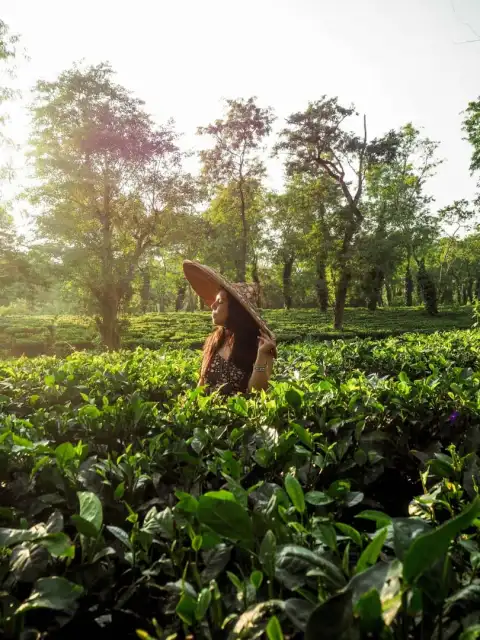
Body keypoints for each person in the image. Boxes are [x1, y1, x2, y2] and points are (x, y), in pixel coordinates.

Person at [182, 260, 277, 395]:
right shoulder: (215, 340)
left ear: (235, 310)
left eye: (220, 301)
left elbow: (256, 394)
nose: (213, 305)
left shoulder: (261, 346)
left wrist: (261, 356)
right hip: (207, 413)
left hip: (237, 414)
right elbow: (202, 383)